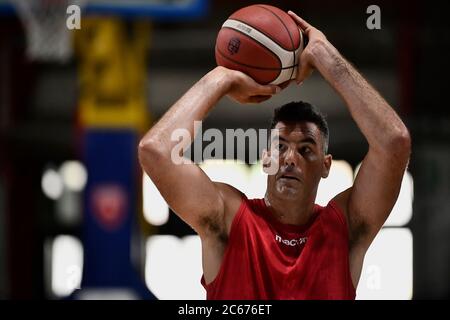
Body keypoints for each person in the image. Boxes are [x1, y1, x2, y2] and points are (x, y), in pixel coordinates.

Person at [138, 11, 411, 299]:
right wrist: (221, 79)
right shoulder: (229, 220)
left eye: (306, 149)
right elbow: (155, 152)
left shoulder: (345, 227)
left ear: (326, 166)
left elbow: (394, 142)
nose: (290, 158)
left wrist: (323, 54)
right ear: (266, 157)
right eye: (280, 147)